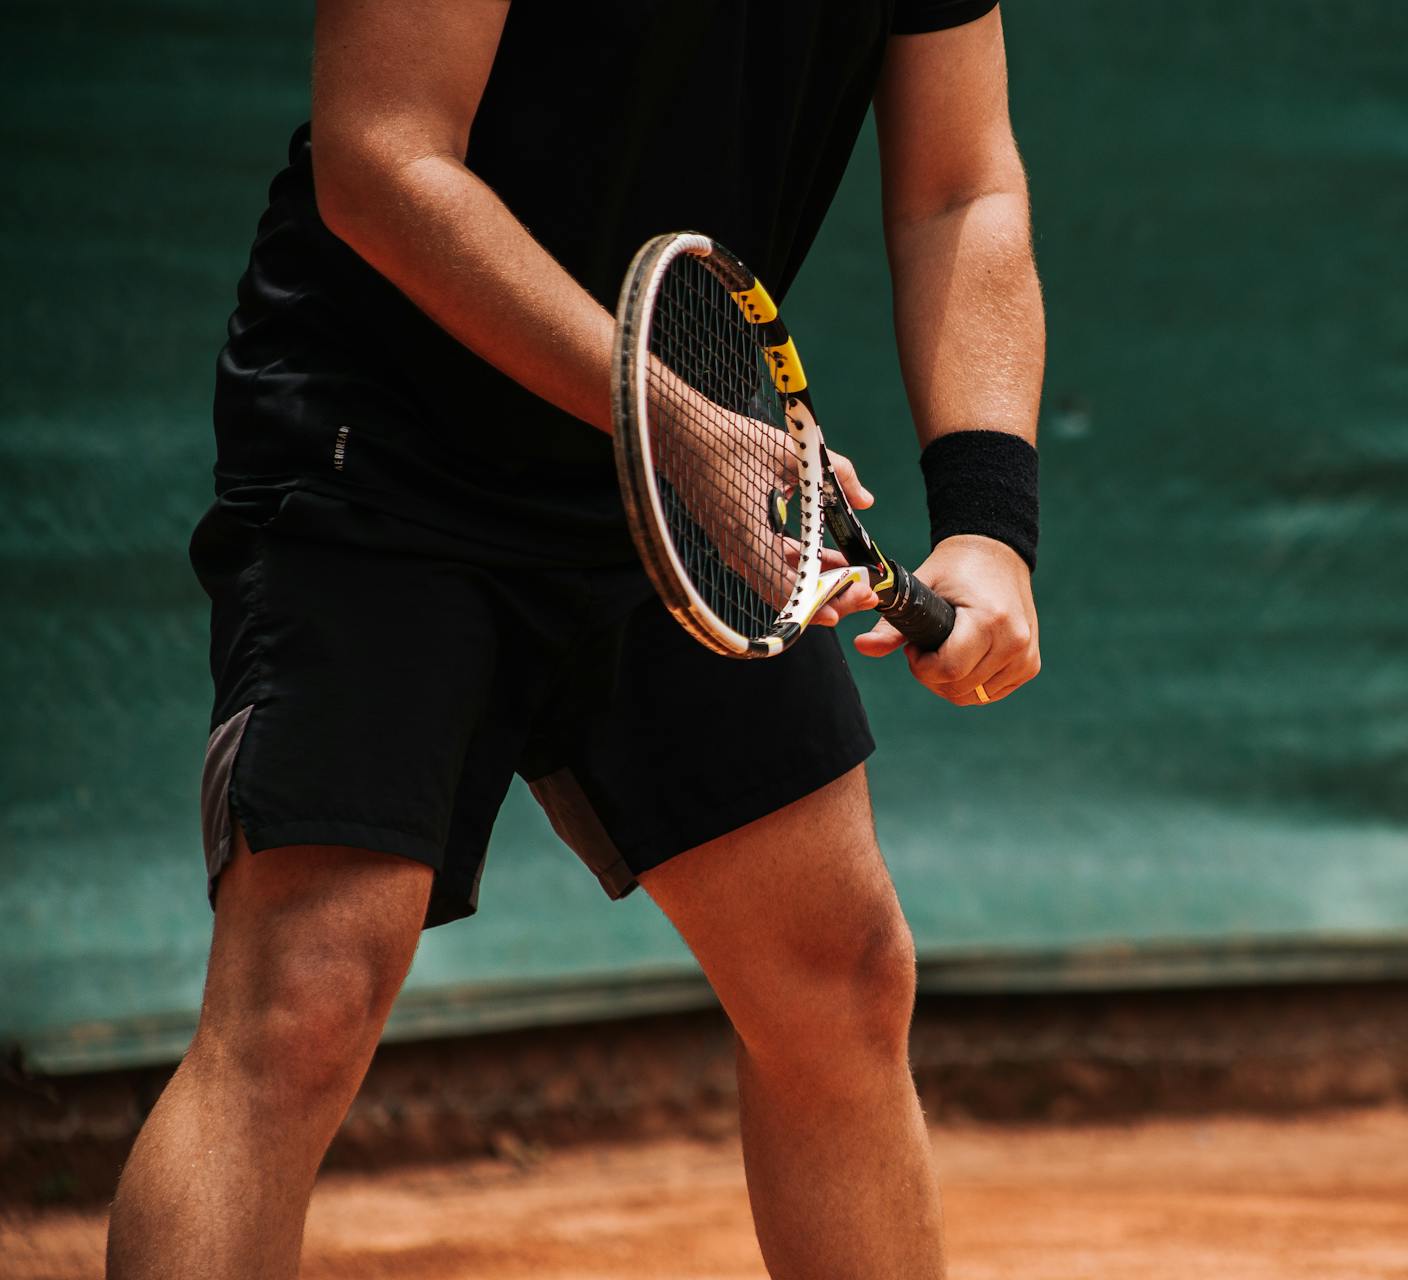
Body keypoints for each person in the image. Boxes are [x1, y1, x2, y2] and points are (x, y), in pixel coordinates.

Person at [104, 1, 1044, 1275]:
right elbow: (381, 152)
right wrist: (672, 421)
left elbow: (959, 186)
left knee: (840, 974)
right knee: (303, 1001)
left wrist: (988, 524)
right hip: (386, 449)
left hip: (672, 464)